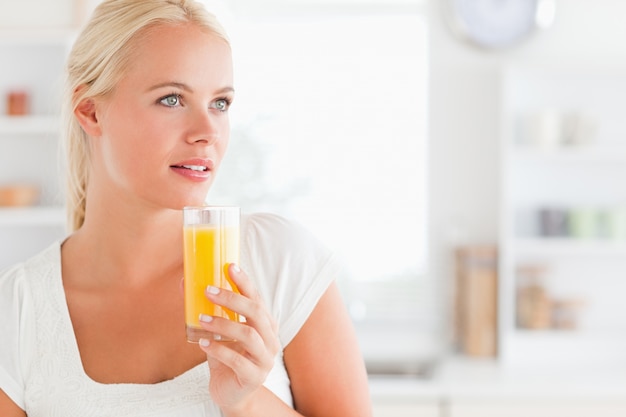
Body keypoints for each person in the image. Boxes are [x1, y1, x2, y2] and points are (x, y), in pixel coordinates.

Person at [0, 1, 372, 416]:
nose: (208, 132)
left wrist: (246, 401)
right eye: (172, 99)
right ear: (90, 110)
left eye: (220, 103)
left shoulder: (280, 261)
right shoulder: (19, 308)